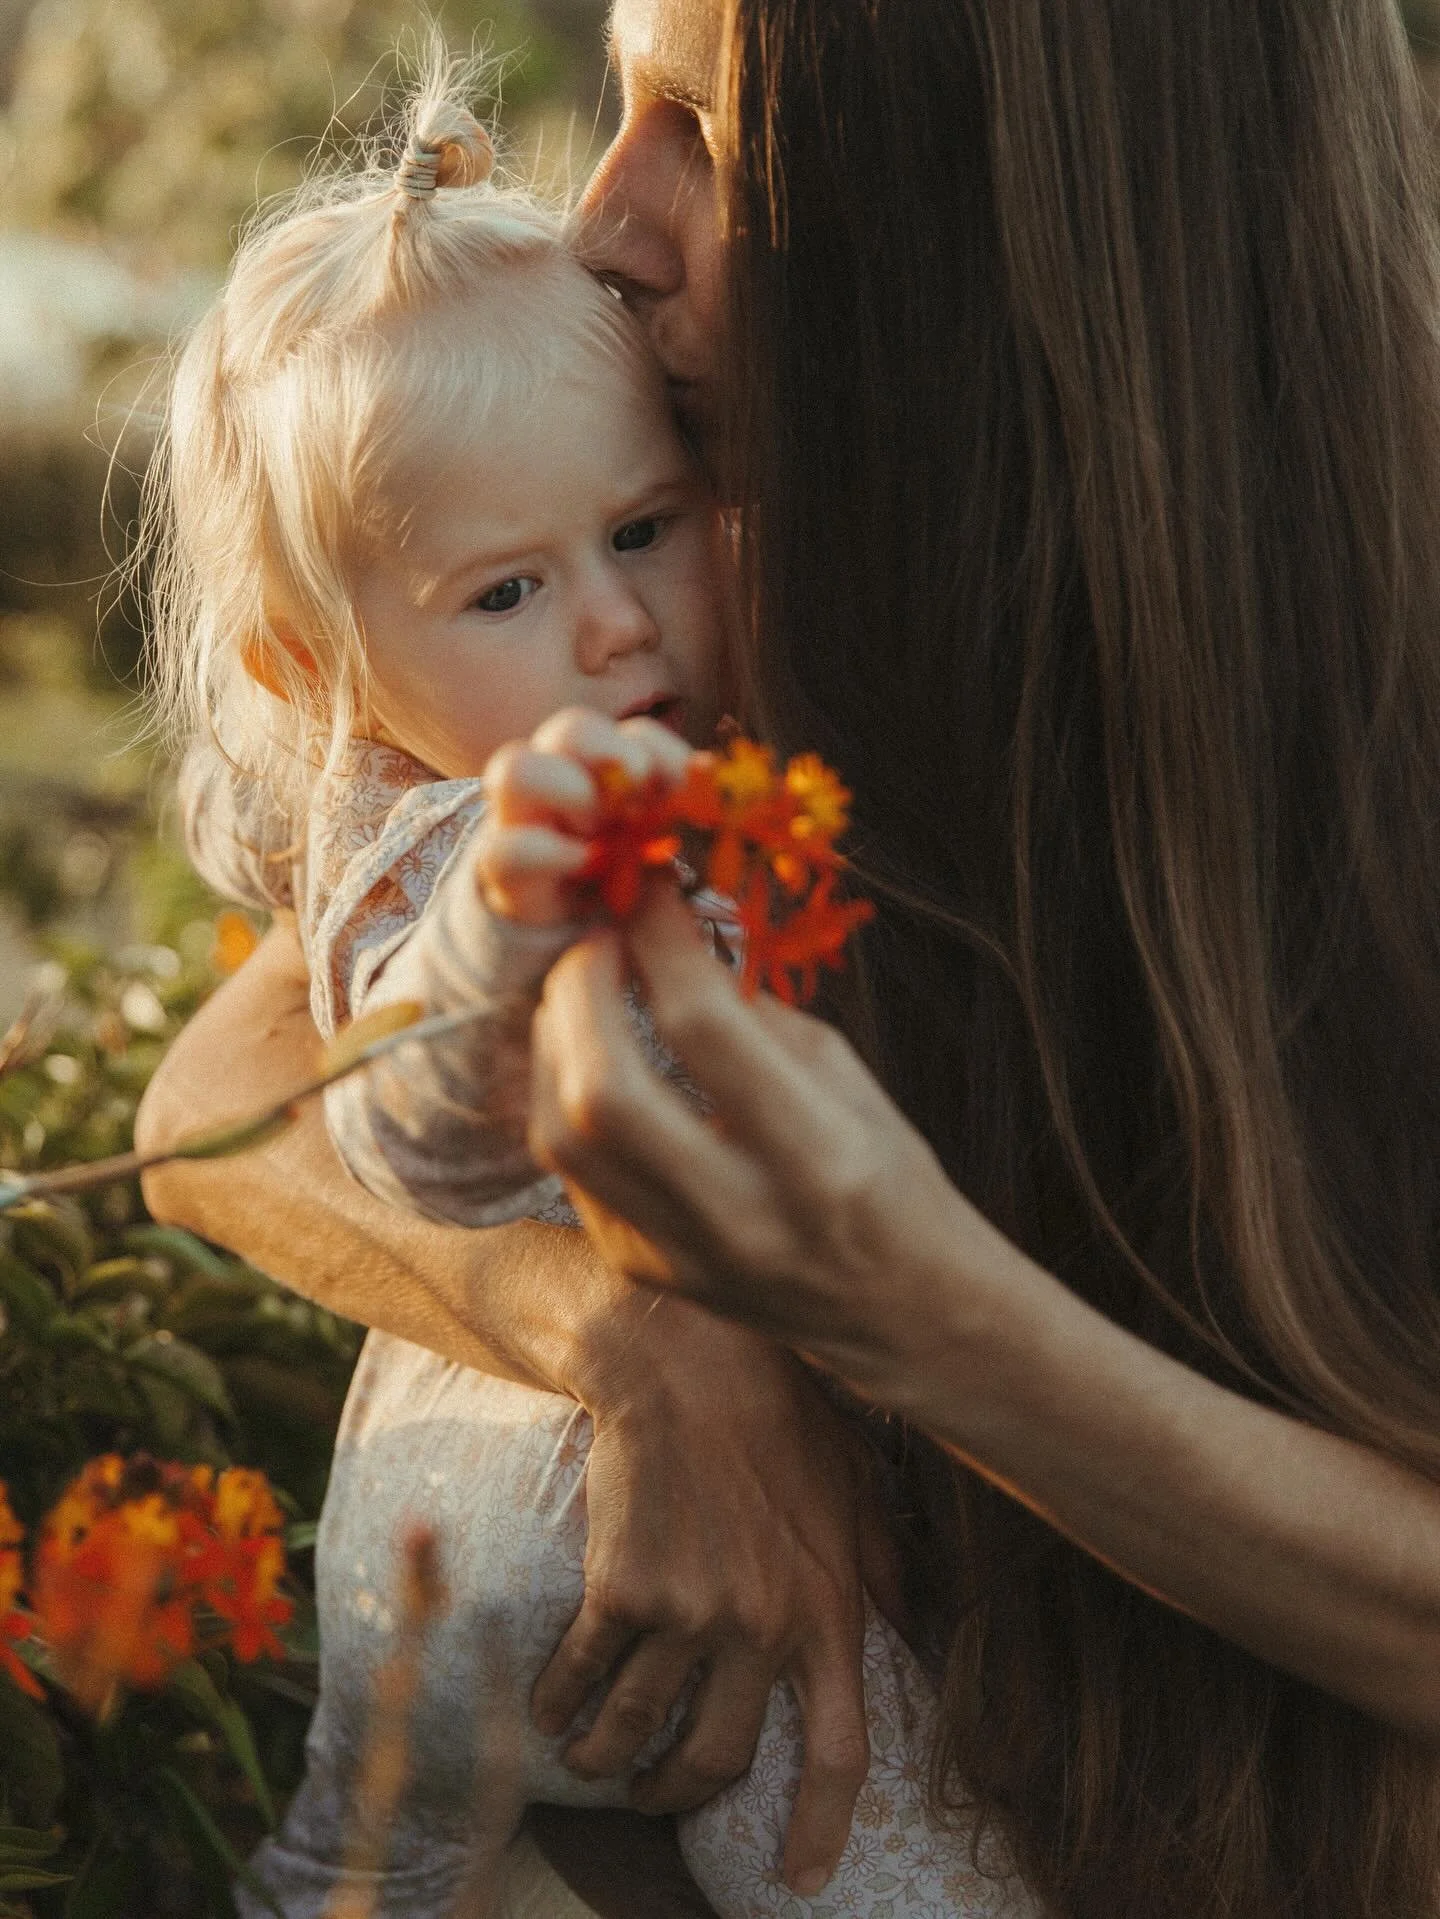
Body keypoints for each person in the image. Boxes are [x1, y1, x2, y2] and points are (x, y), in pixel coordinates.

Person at [139, 0, 1440, 1914]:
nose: (602, 216)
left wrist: (900, 1314)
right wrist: (658, 1336)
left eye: (700, 126)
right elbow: (227, 1096)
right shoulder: (781, 613)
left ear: (994, 222)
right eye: (617, 89)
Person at [148, 74, 1011, 1919]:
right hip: (500, 1522)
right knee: (392, 1850)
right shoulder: (451, 849)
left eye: (646, 530)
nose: (616, 628)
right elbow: (410, 1141)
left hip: (704, 1504)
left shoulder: (717, 747)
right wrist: (500, 941)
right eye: (509, 591)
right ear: (324, 670)